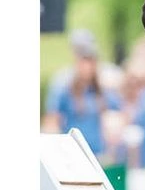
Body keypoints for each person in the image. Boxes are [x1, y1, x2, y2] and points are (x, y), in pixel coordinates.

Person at [41, 29, 124, 165]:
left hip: (99, 157)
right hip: (72, 157)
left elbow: (117, 117)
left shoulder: (104, 86)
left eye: (90, 59)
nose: (86, 65)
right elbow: (52, 122)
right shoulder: (63, 84)